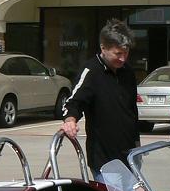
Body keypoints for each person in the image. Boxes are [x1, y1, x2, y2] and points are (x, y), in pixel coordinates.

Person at [60, 19, 140, 178]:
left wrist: (137, 144)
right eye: (118, 54)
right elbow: (74, 102)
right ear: (103, 48)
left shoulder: (128, 72)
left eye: (126, 53)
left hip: (130, 154)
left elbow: (131, 110)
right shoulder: (91, 71)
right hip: (105, 158)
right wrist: (70, 120)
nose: (123, 59)